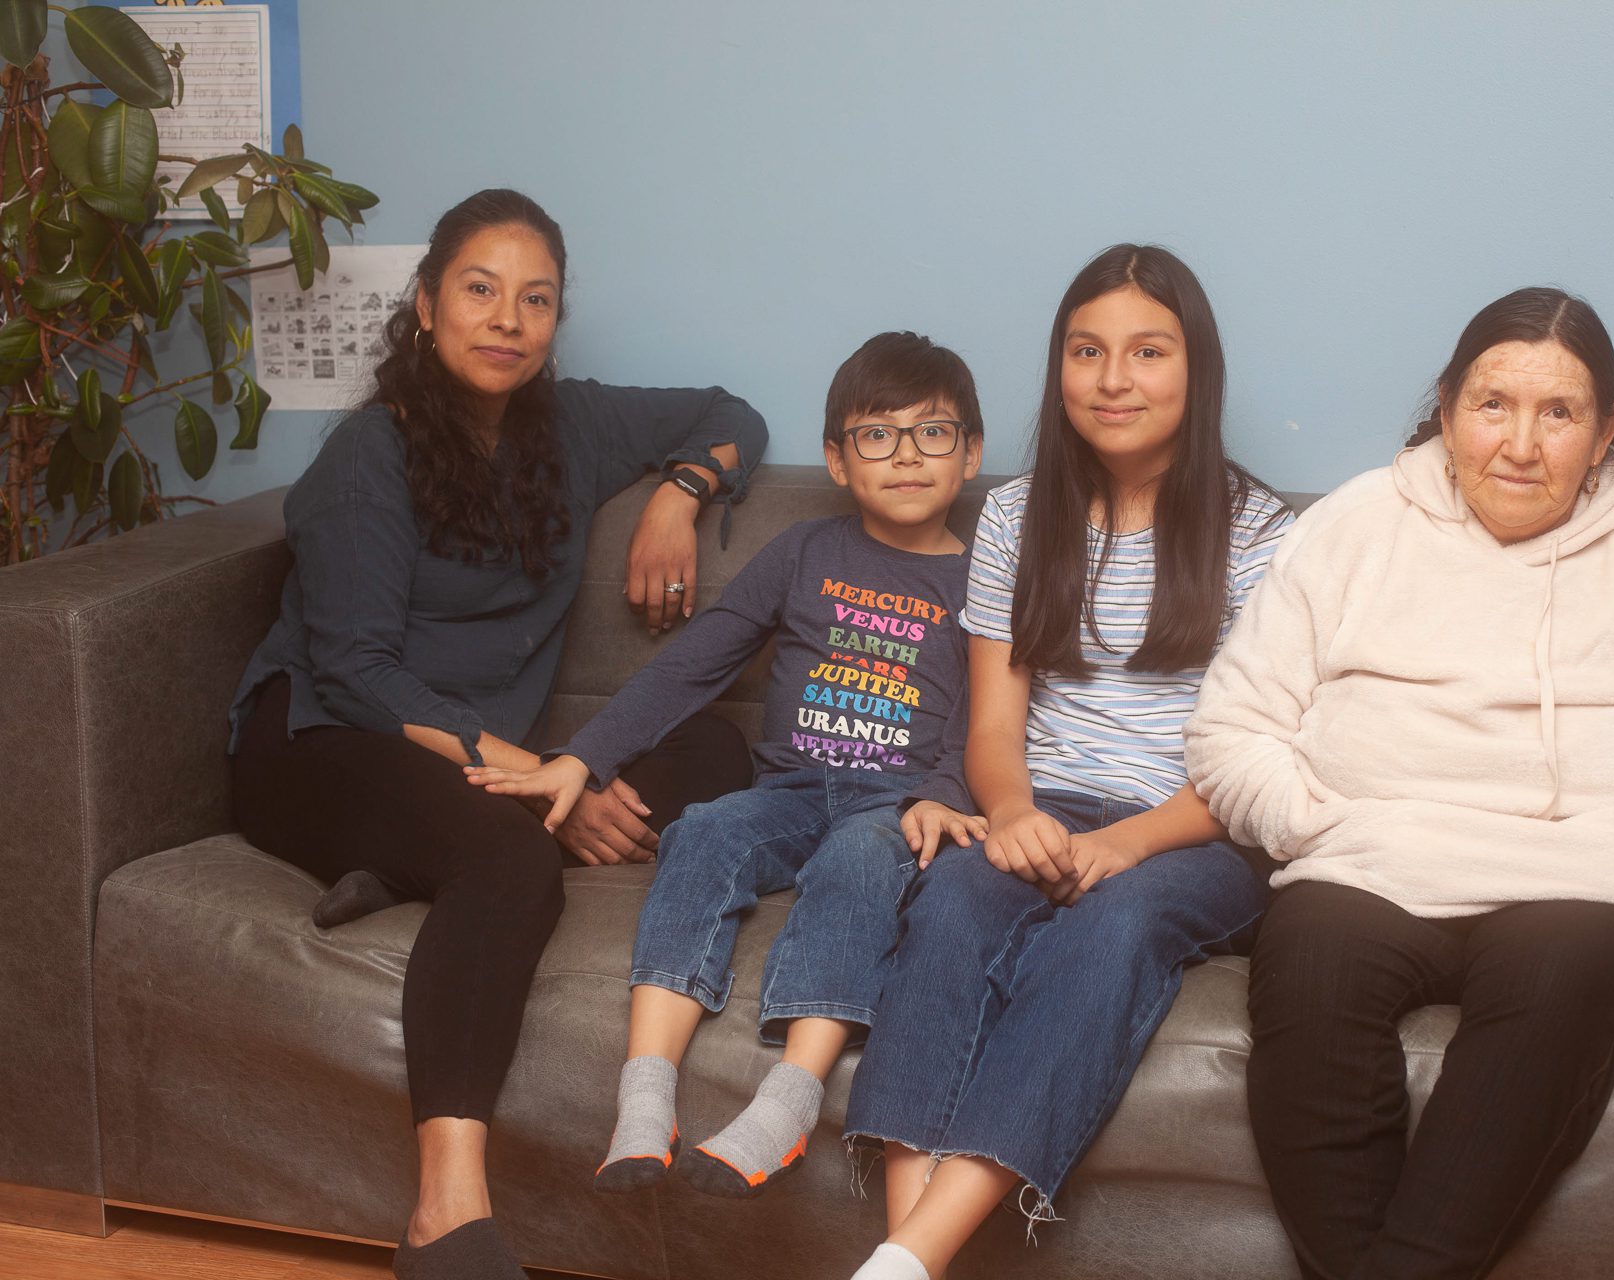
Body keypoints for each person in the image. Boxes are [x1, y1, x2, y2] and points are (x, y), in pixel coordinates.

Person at [1186, 287, 1614, 1280]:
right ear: (1446, 408)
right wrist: (1323, 825)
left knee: (1553, 979)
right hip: (1373, 868)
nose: (1520, 444)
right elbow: (1232, 733)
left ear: (1605, 429)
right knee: (1311, 966)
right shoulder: (1355, 525)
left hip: (1587, 894)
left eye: (1558, 412)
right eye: (1492, 405)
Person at [227, 189, 768, 1280]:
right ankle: (446, 1211)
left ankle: (407, 860)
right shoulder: (364, 459)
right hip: (321, 739)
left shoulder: (572, 428)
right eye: (480, 289)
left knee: (722, 751)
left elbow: (729, 410)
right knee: (515, 856)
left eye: (536, 299)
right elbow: (361, 673)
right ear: (425, 304)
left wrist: (680, 492)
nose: (507, 319)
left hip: (473, 768)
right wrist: (547, 781)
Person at [841, 245, 1293, 1280]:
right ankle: (910, 1254)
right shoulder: (1013, 513)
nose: (1113, 378)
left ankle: (908, 1257)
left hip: (1194, 824)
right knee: (951, 899)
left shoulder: (1264, 530)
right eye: (1086, 351)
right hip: (1049, 801)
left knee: (1115, 925)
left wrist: (1123, 846)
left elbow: (1259, 760)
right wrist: (1009, 815)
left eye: (1147, 351)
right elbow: (995, 727)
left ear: (1197, 368)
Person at [464, 331, 987, 1201]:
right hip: (785, 790)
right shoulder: (805, 553)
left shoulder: (982, 578)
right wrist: (584, 756)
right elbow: (696, 660)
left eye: (932, 434)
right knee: (702, 827)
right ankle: (644, 1098)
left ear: (969, 454)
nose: (905, 456)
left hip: (891, 807)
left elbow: (987, 713)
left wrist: (939, 794)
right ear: (836, 457)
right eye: (876, 435)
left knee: (858, 859)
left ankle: (788, 1099)